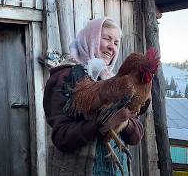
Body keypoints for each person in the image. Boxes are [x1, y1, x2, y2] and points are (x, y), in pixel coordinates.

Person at [43, 17, 144, 176]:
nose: (112, 47)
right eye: (107, 39)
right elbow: (61, 136)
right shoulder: (66, 76)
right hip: (78, 170)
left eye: (116, 43)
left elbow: (136, 136)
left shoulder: (115, 81)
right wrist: (99, 124)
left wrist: (124, 123)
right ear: (91, 38)